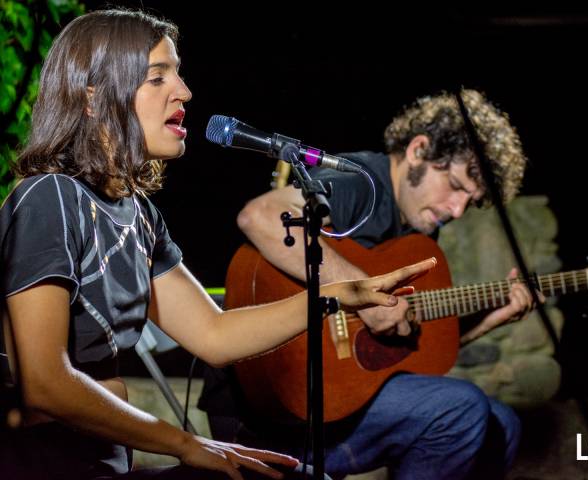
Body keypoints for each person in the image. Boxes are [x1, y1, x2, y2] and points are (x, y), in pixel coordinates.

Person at [0, 9, 436, 480]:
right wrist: (185, 444)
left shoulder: (140, 215)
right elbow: (44, 383)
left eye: (179, 74)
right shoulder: (50, 198)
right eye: (156, 78)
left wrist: (333, 297)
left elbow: (215, 335)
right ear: (93, 98)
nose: (184, 91)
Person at [199, 89, 538, 479]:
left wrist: (493, 319)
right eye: (456, 186)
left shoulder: (416, 228)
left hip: (333, 408)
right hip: (265, 413)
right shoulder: (363, 182)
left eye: (470, 201)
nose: (457, 210)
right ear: (418, 151)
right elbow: (261, 216)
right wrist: (365, 296)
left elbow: (402, 355)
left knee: (501, 425)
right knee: (461, 408)